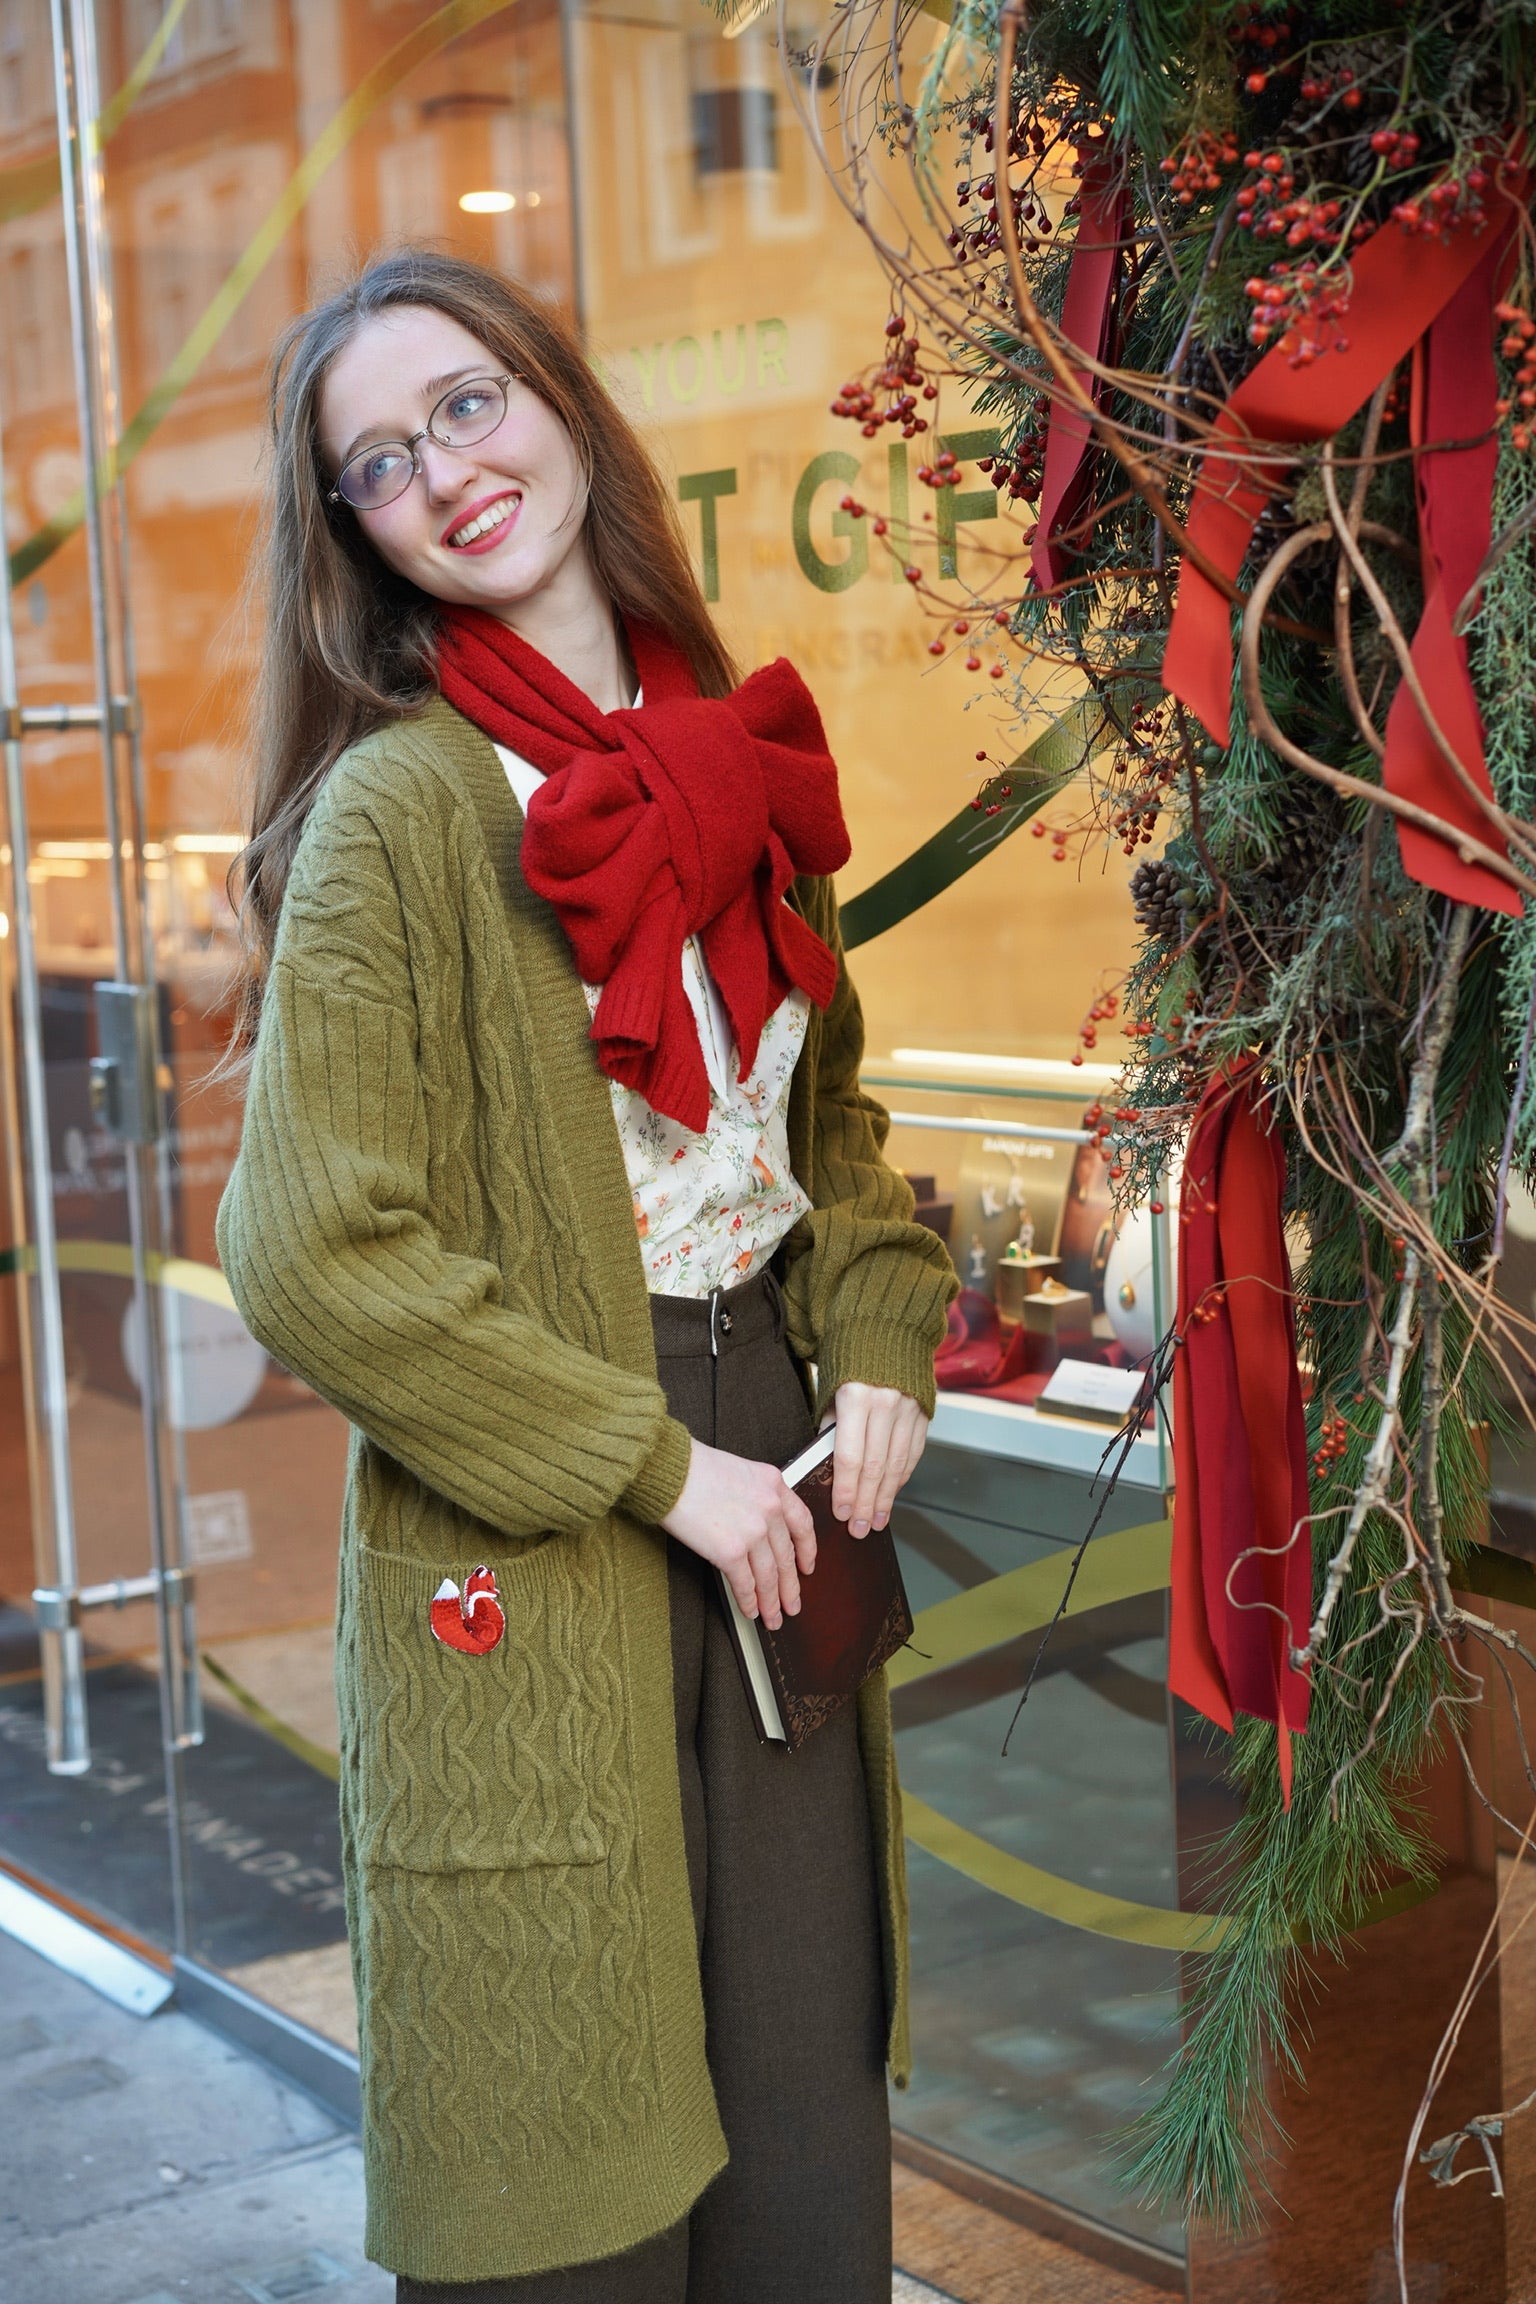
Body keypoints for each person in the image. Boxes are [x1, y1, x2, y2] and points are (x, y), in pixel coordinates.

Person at [216, 247, 955, 2303]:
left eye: (466, 403)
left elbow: (837, 1159)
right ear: (353, 536)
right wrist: (655, 1466)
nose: (444, 470)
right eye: (377, 461)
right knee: (573, 2185)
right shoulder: (399, 817)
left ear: (556, 398)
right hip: (556, 1524)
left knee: (804, 2131)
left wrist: (881, 1347)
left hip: (787, 1490)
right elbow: (302, 1246)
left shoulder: (740, 772)